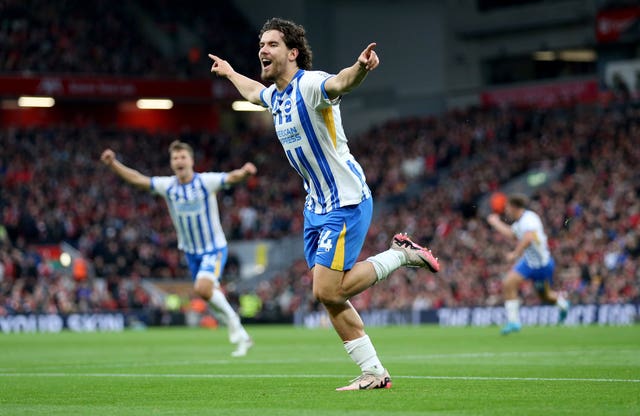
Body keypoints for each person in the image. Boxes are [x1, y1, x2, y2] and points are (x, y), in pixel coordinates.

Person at [209, 17, 440, 390]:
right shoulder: (277, 97)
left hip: (345, 202)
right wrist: (231, 73)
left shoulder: (311, 85)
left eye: (271, 44)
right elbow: (253, 92)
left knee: (326, 290)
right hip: (315, 208)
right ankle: (375, 373)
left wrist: (361, 69)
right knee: (330, 297)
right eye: (260, 44)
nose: (262, 50)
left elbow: (341, 81)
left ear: (293, 52)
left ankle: (400, 254)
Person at [100, 141, 256, 357]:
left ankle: (235, 325)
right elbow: (138, 180)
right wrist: (113, 164)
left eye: (183, 157)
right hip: (191, 252)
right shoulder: (168, 187)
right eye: (175, 158)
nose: (179, 161)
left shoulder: (205, 182)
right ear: (171, 163)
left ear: (191, 161)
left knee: (203, 289)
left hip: (214, 249)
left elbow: (231, 177)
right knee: (208, 294)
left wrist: (245, 173)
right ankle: (241, 333)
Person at [487, 193, 570, 335]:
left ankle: (563, 304)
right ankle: (514, 322)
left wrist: (515, 253)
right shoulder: (519, 223)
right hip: (528, 262)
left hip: (542, 264)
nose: (506, 211)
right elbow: (512, 234)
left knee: (545, 296)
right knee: (508, 283)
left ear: (513, 207)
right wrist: (496, 223)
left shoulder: (529, 218)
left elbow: (528, 238)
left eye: (507, 208)